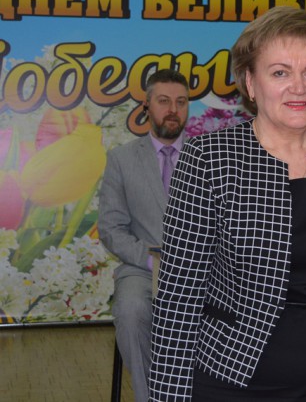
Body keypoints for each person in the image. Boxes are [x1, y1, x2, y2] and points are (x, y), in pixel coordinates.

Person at [149, 6, 306, 401]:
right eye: (280, 73)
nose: (298, 87)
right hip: (239, 378)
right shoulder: (210, 158)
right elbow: (179, 294)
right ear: (251, 83)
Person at [99, 68, 190, 402]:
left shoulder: (208, 156)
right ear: (146, 106)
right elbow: (111, 228)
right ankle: (151, 397)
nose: (173, 110)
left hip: (202, 268)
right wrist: (153, 262)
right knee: (131, 310)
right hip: (142, 268)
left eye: (181, 102)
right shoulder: (121, 159)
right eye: (164, 101)